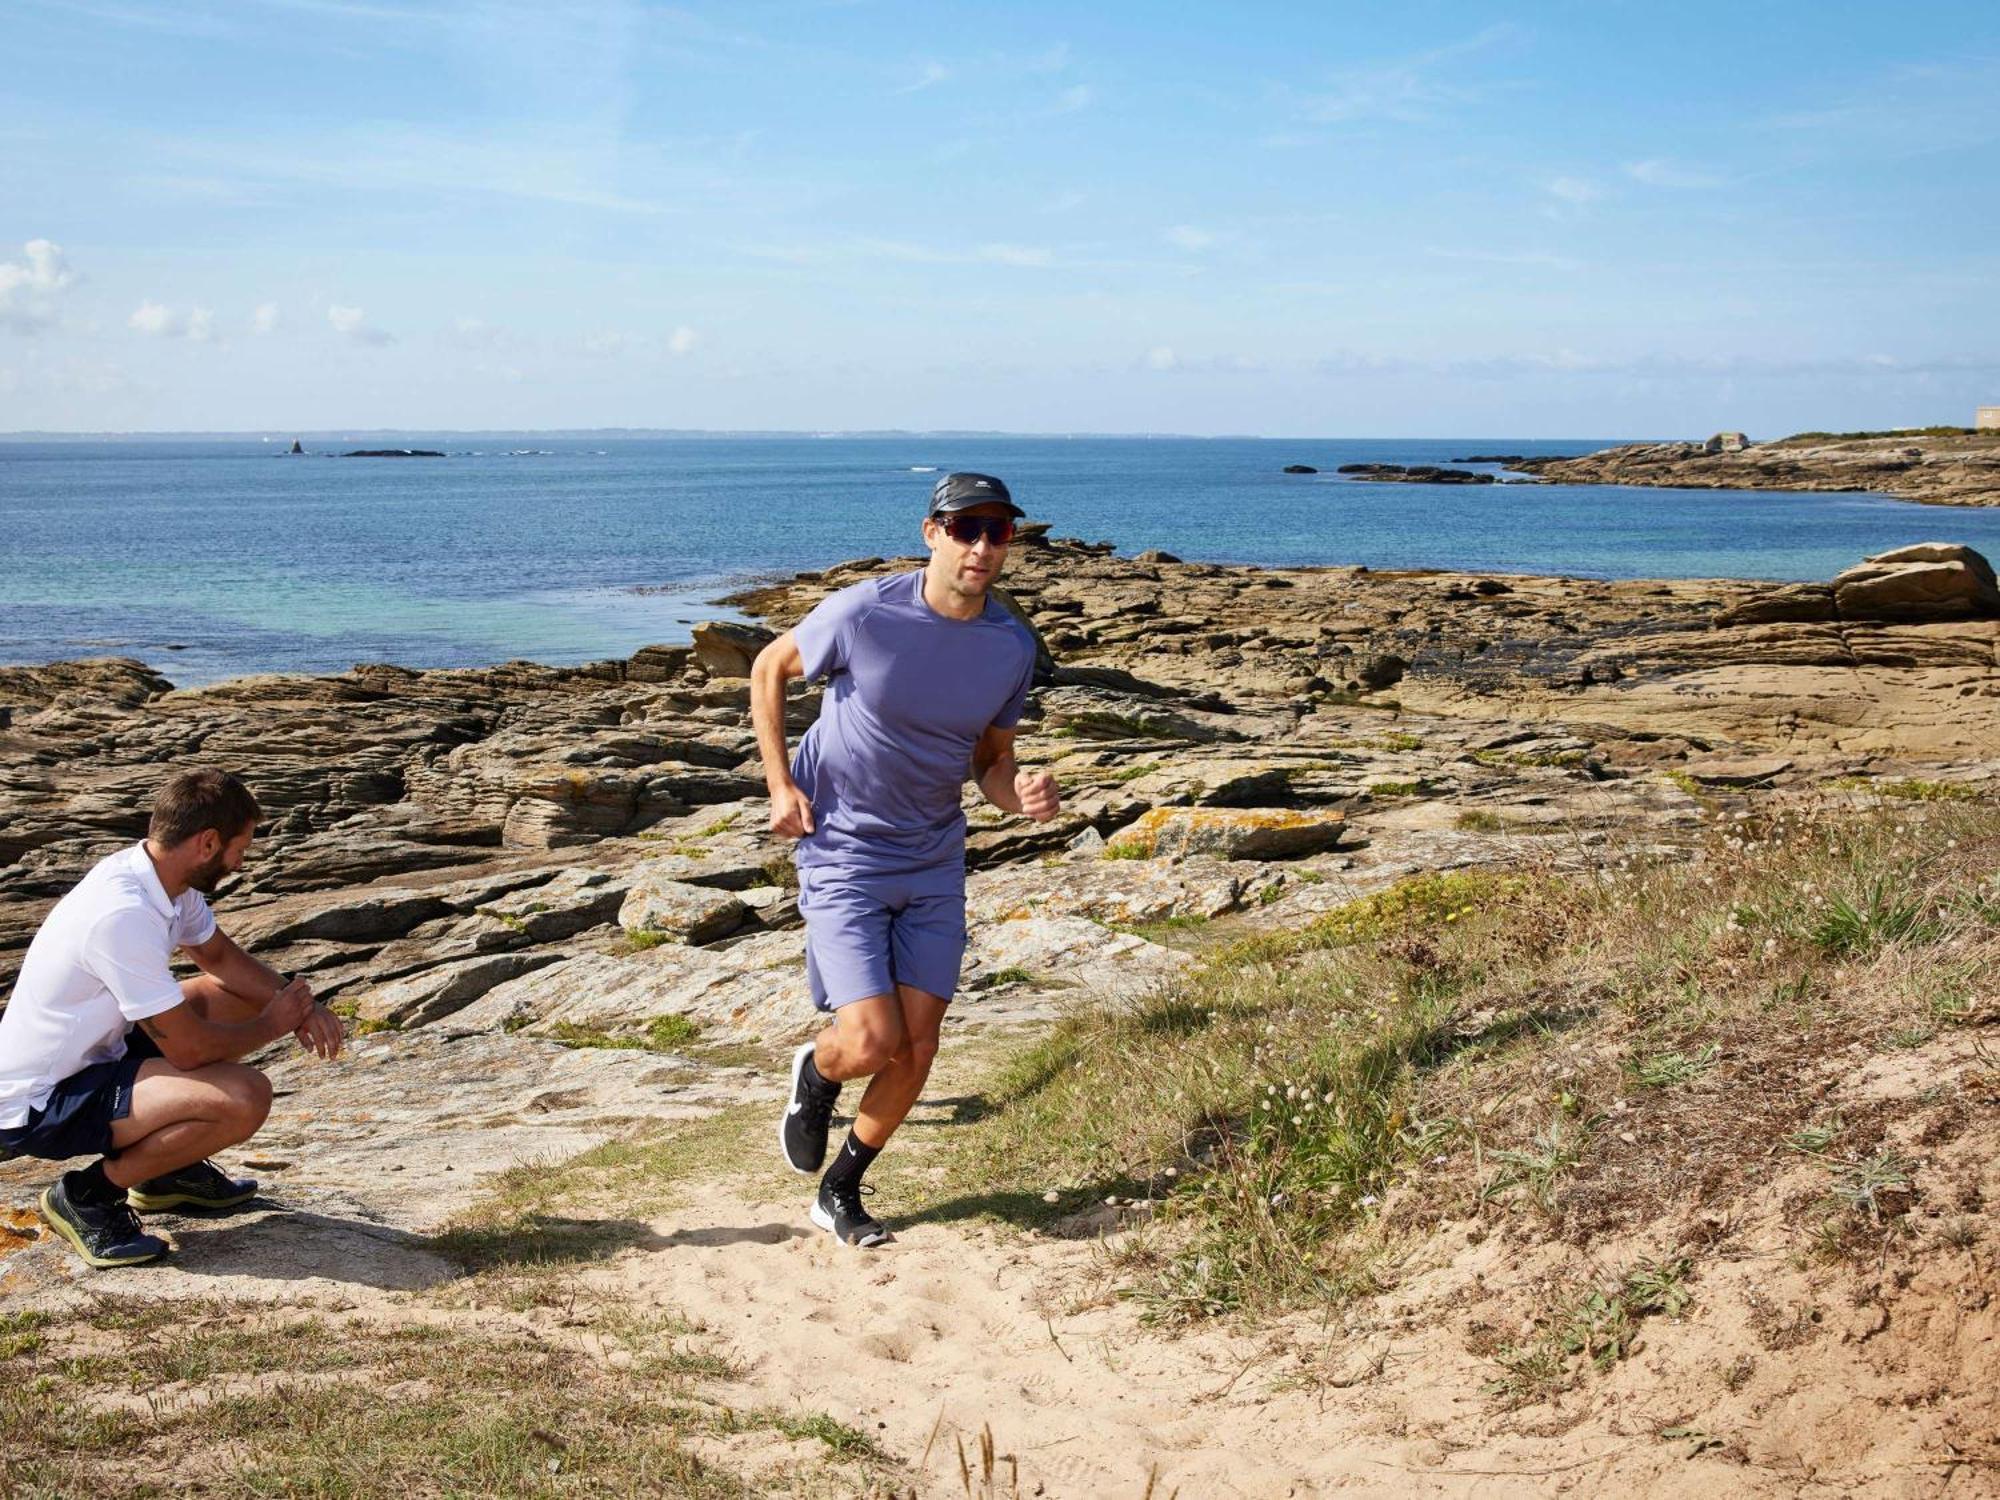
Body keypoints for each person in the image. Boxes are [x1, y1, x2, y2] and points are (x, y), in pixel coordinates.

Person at [750, 472, 1060, 1248]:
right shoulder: (865, 612)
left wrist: (1016, 794)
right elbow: (768, 668)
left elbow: (990, 761)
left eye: (1000, 531)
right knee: (871, 1042)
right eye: (967, 529)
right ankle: (818, 1076)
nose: (983, 546)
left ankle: (841, 1190)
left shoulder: (1010, 646)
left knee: (920, 1045)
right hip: (844, 848)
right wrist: (780, 783)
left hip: (931, 856)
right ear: (933, 533)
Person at [0, 768, 343, 1268]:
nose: (241, 863)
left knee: (237, 995)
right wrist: (275, 1023)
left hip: (101, 1049)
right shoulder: (122, 913)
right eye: (239, 849)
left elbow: (220, 959)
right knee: (244, 1097)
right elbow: (190, 1050)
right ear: (207, 842)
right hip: (44, 1098)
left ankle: (165, 1173)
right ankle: (88, 1196)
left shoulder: (163, 879)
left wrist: (300, 1006)